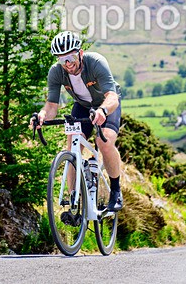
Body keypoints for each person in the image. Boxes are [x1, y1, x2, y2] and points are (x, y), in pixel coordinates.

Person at [30, 31, 124, 212]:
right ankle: (73, 200)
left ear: (80, 53)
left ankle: (116, 190)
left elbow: (112, 96)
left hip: (107, 105)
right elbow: (51, 105)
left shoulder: (95, 62)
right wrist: (42, 116)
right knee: (72, 143)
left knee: (104, 142)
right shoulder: (56, 72)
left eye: (71, 57)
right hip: (82, 107)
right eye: (61, 59)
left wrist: (103, 111)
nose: (67, 64)